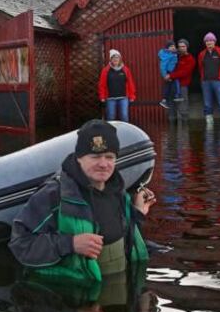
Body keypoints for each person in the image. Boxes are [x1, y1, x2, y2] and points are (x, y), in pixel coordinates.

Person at [9, 119, 154, 286]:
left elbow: (123, 238)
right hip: (78, 297)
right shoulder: (54, 195)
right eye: (95, 156)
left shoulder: (118, 189)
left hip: (121, 292)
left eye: (109, 157)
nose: (103, 164)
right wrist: (70, 244)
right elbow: (20, 244)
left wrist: (137, 213)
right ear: (79, 158)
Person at [196, 31, 220, 126]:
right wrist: (203, 78)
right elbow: (200, 67)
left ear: (215, 42)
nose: (209, 43)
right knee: (207, 104)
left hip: (219, 82)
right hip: (206, 82)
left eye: (211, 41)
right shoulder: (201, 54)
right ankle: (209, 124)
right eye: (207, 41)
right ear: (205, 43)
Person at [98, 50, 136, 122]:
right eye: (113, 57)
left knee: (124, 116)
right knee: (110, 117)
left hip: (123, 98)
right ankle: (110, 133)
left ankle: (125, 132)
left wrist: (132, 95)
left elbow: (130, 83)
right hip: (110, 98)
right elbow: (101, 84)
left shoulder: (125, 69)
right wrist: (102, 96)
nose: (115, 59)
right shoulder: (105, 70)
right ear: (111, 59)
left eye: (117, 57)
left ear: (120, 59)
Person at [166, 38, 196, 123]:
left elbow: (185, 72)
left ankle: (184, 125)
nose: (181, 48)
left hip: (182, 85)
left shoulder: (190, 59)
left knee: (183, 105)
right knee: (171, 105)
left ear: (187, 47)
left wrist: (171, 75)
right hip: (172, 84)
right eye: (179, 46)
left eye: (183, 46)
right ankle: (172, 126)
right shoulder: (175, 57)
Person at [157, 40, 179, 109]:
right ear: (167, 48)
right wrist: (165, 75)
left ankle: (174, 97)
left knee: (171, 85)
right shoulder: (166, 55)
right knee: (169, 86)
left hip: (172, 72)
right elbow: (162, 66)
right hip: (168, 72)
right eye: (171, 46)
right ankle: (166, 99)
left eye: (173, 46)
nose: (173, 47)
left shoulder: (172, 53)